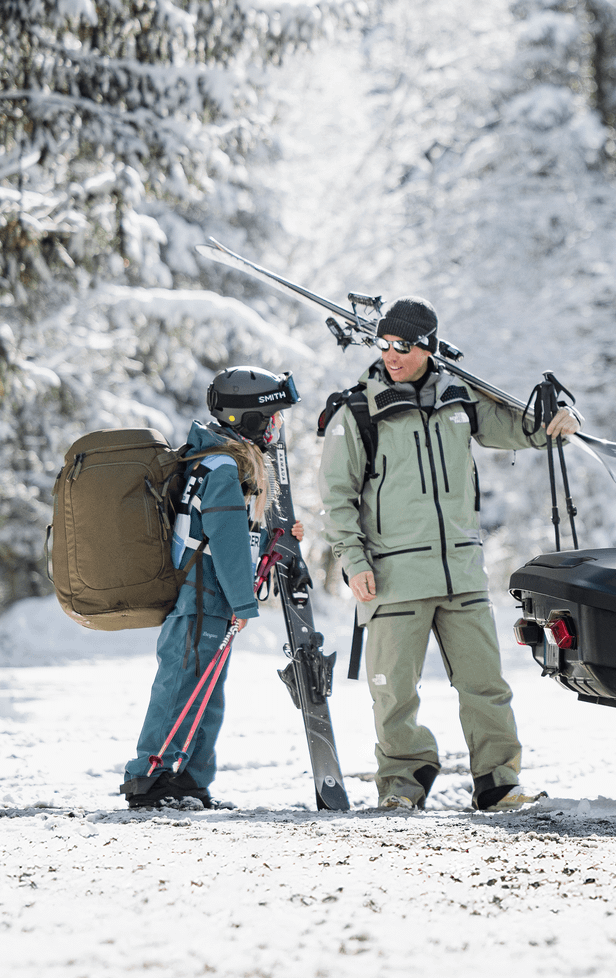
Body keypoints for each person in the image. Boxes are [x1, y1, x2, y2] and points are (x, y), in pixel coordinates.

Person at [318, 296, 579, 811]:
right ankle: (403, 783)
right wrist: (354, 560)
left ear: (429, 347)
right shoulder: (356, 411)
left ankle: (498, 783)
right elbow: (336, 497)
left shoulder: (460, 399)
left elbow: (518, 427)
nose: (392, 355)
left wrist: (555, 421)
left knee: (486, 685)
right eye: (384, 344)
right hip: (393, 575)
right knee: (394, 693)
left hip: (461, 571)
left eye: (405, 346)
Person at [120, 366, 302, 809]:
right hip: (199, 598)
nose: (276, 427)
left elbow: (236, 536)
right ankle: (148, 777)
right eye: (271, 418)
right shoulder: (221, 465)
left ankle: (189, 779)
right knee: (181, 685)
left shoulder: (222, 460)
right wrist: (243, 601)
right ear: (248, 419)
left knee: (207, 693)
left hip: (209, 599)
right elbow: (226, 543)